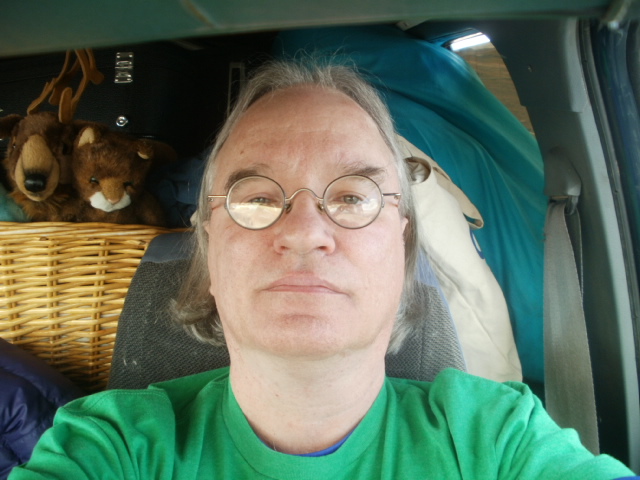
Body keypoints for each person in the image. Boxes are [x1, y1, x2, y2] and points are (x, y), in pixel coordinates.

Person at [9, 60, 636, 479]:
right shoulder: (112, 447)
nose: (305, 231)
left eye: (353, 197)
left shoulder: (497, 439)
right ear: (209, 252)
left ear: (402, 247)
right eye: (257, 198)